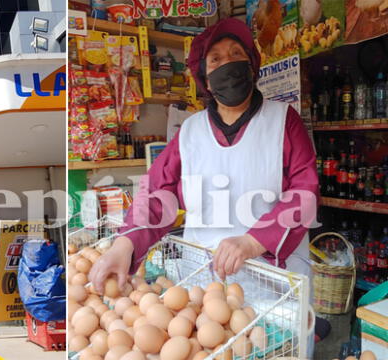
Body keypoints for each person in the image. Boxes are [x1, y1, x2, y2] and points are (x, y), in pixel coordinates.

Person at [88, 18, 328, 344]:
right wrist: (124, 244)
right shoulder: (190, 132)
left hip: (275, 280)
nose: (228, 63)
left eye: (235, 53)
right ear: (205, 78)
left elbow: (305, 192)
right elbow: (158, 193)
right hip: (203, 282)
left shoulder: (284, 120)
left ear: (251, 63)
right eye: (216, 59)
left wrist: (253, 240)